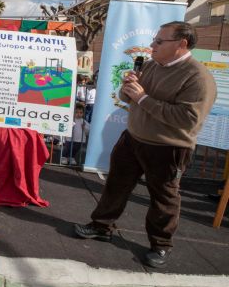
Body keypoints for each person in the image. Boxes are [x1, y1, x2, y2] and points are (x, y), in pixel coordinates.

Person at [74, 21, 217, 268]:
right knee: (115, 186)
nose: (152, 45)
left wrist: (142, 97)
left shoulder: (198, 78)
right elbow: (126, 98)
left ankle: (161, 246)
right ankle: (101, 226)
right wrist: (128, 88)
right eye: (154, 40)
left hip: (168, 148)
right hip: (133, 138)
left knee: (164, 198)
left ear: (182, 44)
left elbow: (186, 119)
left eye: (160, 41)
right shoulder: (151, 66)